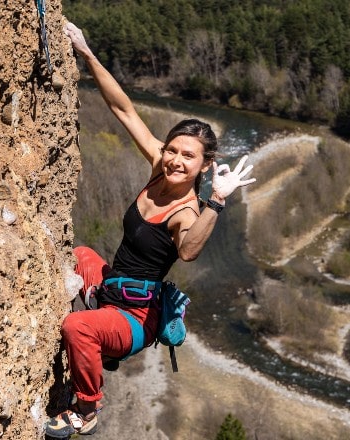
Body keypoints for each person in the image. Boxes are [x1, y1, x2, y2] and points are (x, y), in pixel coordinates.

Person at [45, 22, 256, 438]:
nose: (177, 160)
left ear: (205, 166)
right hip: (111, 288)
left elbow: (191, 250)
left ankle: (87, 407)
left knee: (76, 328)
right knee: (78, 254)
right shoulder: (159, 167)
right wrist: (87, 53)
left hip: (136, 318)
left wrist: (218, 199)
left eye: (189, 157)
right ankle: (98, 333)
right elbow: (123, 109)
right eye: (173, 149)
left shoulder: (186, 209)